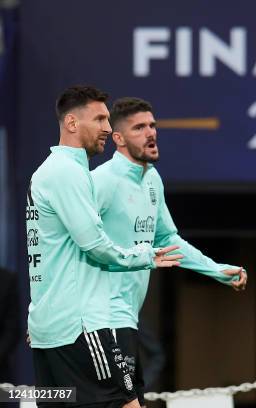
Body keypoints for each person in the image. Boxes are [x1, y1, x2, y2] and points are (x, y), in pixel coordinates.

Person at [26, 85, 182, 408]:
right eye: (99, 119)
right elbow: (94, 244)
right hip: (82, 327)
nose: (108, 129)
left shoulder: (48, 173)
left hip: (49, 329)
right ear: (71, 123)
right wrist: (145, 255)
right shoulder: (67, 172)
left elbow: (44, 256)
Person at [90, 96, 247, 406]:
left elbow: (169, 241)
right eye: (139, 127)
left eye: (152, 125)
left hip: (126, 319)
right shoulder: (101, 182)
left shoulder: (152, 180)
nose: (151, 133)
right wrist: (45, 307)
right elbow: (65, 242)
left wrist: (216, 270)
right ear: (117, 138)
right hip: (101, 319)